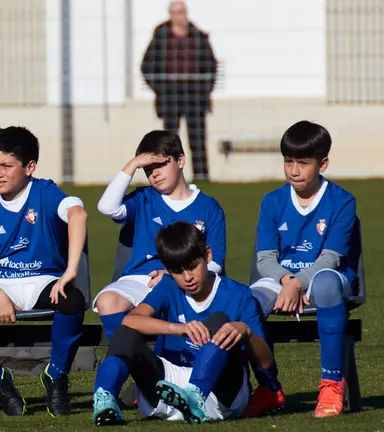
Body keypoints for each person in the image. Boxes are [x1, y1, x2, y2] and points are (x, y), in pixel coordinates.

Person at [0, 126, 88, 417]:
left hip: (44, 281)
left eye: (6, 166)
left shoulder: (45, 192)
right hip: (1, 282)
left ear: (30, 167)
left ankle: (56, 376)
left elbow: (78, 214)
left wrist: (70, 271)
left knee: (73, 301)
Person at [91, 221, 274, 425]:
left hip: (220, 395)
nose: (187, 277)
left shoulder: (239, 294)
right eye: (178, 271)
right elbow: (130, 319)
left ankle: (195, 394)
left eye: (192, 267)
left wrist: (246, 332)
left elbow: (265, 362)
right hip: (169, 389)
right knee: (125, 332)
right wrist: (178, 329)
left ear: (208, 255)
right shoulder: (168, 286)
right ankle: (105, 400)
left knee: (220, 321)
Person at [245, 121, 358, 418]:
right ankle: (269, 388)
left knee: (324, 284)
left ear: (323, 164)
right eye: (288, 161)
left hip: (328, 278)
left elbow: (331, 258)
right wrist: (287, 281)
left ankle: (332, 384)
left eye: (303, 163)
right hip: (281, 278)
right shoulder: (271, 201)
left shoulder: (342, 201)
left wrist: (296, 283)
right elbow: (265, 259)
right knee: (248, 302)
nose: (294, 170)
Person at [93, 130, 226, 340]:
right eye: (147, 169)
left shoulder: (209, 207)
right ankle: (127, 356)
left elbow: (216, 262)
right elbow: (107, 207)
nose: (154, 174)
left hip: (188, 280)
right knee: (107, 301)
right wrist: (132, 164)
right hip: (142, 280)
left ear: (180, 160)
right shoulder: (144, 198)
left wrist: (174, 274)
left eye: (160, 165)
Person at [140, 0, 218, 181]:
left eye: (182, 12)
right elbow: (147, 65)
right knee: (169, 139)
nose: (180, 16)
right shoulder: (161, 36)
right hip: (170, 95)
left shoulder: (198, 37)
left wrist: (205, 89)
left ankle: (201, 175)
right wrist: (160, 89)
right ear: (170, 15)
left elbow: (210, 66)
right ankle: (169, 173)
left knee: (197, 137)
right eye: (176, 13)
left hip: (195, 94)